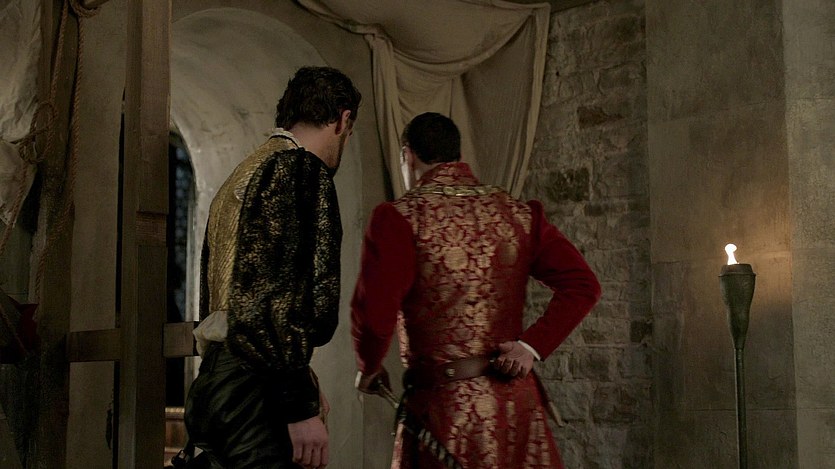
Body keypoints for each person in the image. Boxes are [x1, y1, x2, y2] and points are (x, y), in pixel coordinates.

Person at [351, 112, 601, 469]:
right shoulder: (516, 213)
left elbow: (374, 318)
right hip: (515, 408)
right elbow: (584, 285)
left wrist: (370, 366)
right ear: (457, 156)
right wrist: (531, 347)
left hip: (447, 414)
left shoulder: (400, 218)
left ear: (407, 156)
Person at [184, 66, 361, 469]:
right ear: (343, 119)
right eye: (349, 133)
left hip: (219, 378)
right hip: (254, 392)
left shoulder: (246, 172)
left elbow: (238, 297)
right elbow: (267, 299)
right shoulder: (298, 170)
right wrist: (297, 404)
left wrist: (299, 381)